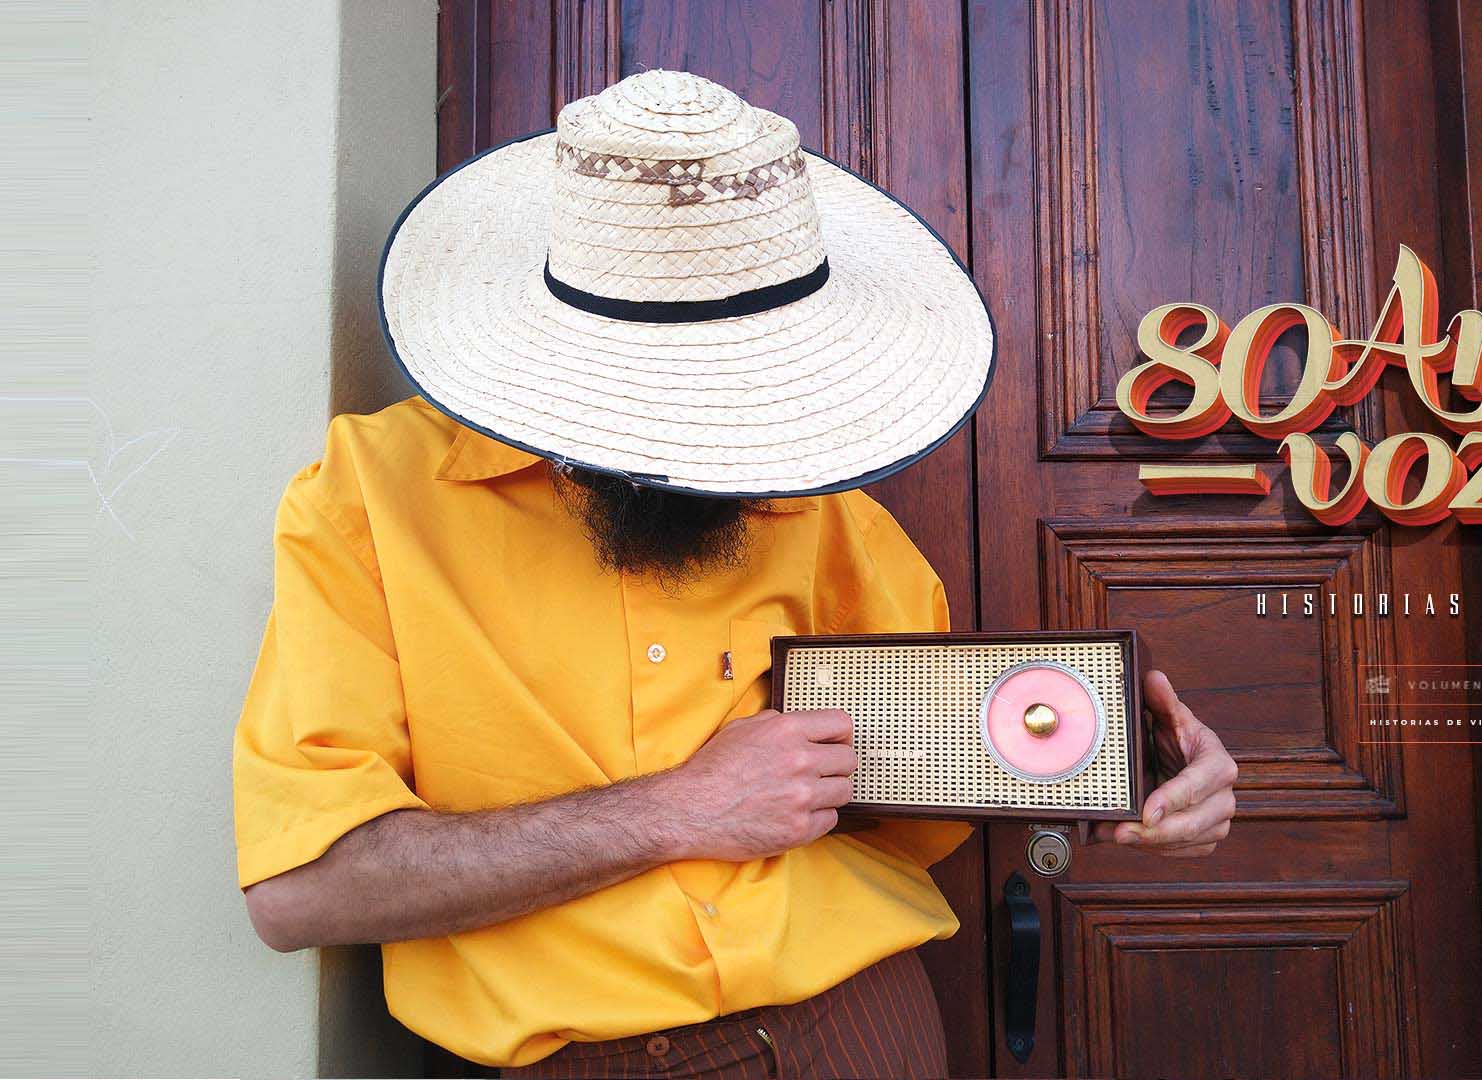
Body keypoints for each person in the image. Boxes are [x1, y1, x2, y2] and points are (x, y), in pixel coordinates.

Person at [232, 70, 1236, 1079]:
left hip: (854, 1028)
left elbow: (928, 766)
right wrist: (675, 809)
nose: (714, 423)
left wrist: (1120, 764)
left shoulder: (826, 506)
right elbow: (303, 889)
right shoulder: (369, 498)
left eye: (738, 376)